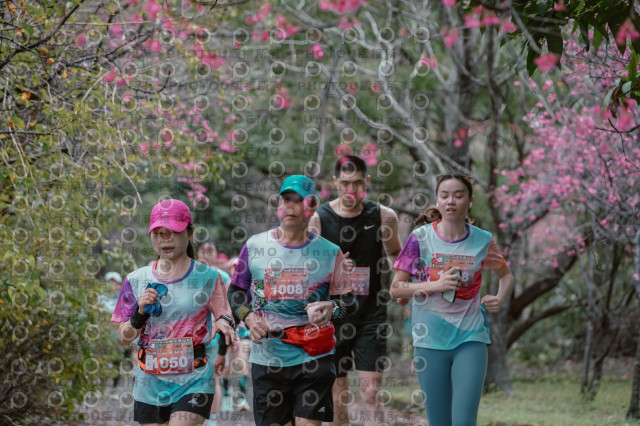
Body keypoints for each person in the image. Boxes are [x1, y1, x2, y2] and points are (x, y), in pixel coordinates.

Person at [226, 175, 358, 426]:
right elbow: (234, 294)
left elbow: (350, 304)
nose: (291, 206)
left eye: (299, 201)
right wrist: (249, 317)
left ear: (313, 206)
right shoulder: (255, 246)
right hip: (268, 359)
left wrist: (331, 307)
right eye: (286, 200)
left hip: (314, 357)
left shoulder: (330, 253)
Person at [390, 173, 514, 426]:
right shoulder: (420, 238)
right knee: (439, 422)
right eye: (444, 195)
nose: (450, 201)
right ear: (437, 199)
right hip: (429, 340)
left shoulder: (482, 240)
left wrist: (500, 298)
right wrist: (436, 285)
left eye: (458, 195)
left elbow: (506, 276)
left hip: (470, 338)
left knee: (463, 420)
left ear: (470, 201)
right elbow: (396, 288)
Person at [111, 199, 237, 426]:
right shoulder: (135, 280)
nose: (165, 239)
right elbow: (125, 336)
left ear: (190, 233)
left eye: (173, 232)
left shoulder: (209, 278)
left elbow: (224, 314)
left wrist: (223, 323)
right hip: (150, 381)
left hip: (194, 378)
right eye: (158, 233)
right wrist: (139, 313)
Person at [309, 155, 402, 426]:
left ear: (367, 182)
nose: (351, 190)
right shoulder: (319, 219)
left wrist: (402, 285)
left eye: (358, 183)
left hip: (371, 313)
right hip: (334, 315)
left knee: (371, 392)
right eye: (345, 183)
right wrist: (335, 269)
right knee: (338, 395)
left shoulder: (384, 216)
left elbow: (396, 255)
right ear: (335, 182)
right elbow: (310, 271)